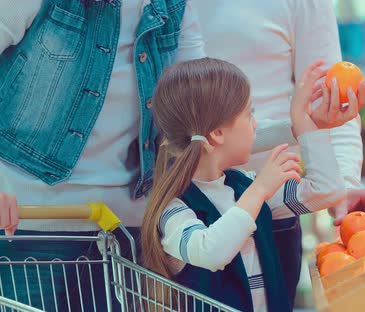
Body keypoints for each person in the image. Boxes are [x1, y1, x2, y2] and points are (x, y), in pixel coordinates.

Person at [0, 1, 346, 310]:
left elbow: (204, 119)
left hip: (134, 234)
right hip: (34, 228)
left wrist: (302, 127)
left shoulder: (174, 7)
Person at [194, 0, 365, 303]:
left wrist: (345, 182)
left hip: (275, 209)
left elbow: (333, 101)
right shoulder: (170, 8)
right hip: (191, 203)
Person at [141, 58, 359, 311]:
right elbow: (211, 252)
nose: (255, 124)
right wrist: (260, 191)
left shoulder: (246, 187)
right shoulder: (174, 210)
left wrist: (306, 123)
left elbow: (327, 191)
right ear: (217, 134)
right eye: (249, 114)